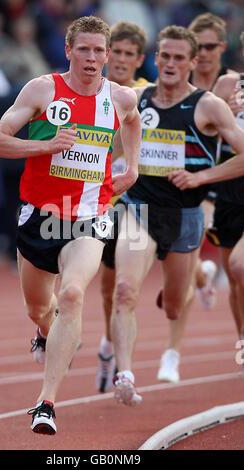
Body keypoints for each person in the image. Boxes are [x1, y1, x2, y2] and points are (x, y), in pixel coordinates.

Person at [0, 16, 141, 435]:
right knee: (40, 307)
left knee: (72, 293)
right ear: (69, 51)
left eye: (99, 51)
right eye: (84, 49)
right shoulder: (42, 90)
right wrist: (47, 144)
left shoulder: (121, 98)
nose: (92, 58)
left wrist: (133, 167)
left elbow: (132, 122)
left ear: (108, 55)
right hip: (39, 216)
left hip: (90, 217)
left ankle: (46, 404)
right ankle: (47, 333)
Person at [110, 25, 244, 407]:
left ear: (193, 62)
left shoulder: (208, 106)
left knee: (172, 306)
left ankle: (194, 278)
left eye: (178, 58)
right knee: (125, 291)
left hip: (185, 215)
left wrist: (202, 176)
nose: (170, 63)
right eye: (164, 56)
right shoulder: (136, 99)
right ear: (154, 60)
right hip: (139, 209)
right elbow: (111, 150)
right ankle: (126, 375)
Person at [156, 13, 239, 384]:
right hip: (195, 185)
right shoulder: (178, 82)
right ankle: (173, 350)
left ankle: (204, 275)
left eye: (208, 47)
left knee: (222, 269)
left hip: (222, 181)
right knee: (186, 260)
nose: (201, 54)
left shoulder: (228, 85)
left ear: (221, 48)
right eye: (196, 47)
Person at [95, 21, 149, 393]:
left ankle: (199, 276)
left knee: (126, 289)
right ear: (106, 53)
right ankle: (108, 344)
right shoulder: (91, 91)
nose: (122, 60)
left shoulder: (146, 94)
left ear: (139, 59)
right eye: (118, 52)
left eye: (131, 54)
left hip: (137, 201)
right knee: (106, 286)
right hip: (96, 198)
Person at [202, 31, 244, 353]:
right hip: (231, 189)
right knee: (236, 279)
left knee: (239, 266)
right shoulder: (227, 86)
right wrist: (223, 115)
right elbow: (205, 136)